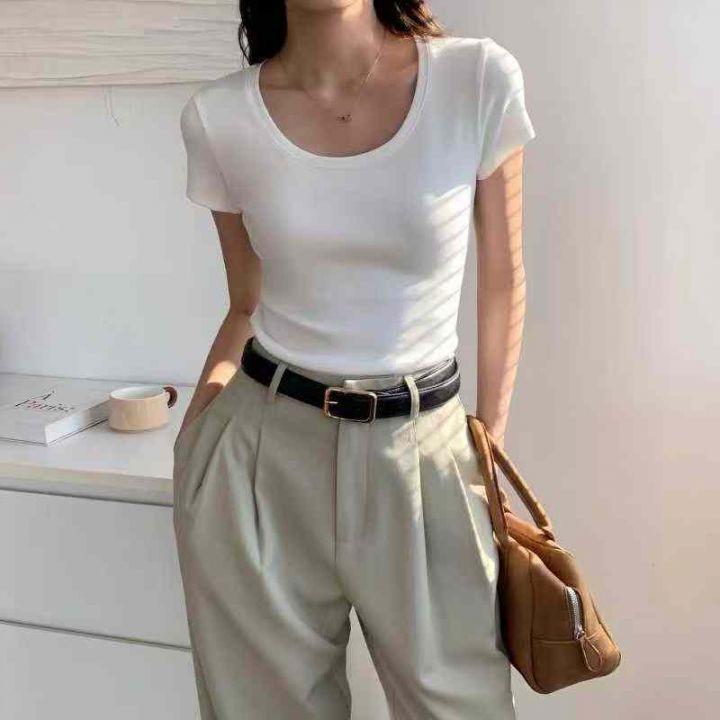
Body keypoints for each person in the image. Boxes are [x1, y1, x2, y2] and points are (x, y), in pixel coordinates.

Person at [172, 1, 536, 718]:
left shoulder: (475, 78)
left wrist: (489, 447)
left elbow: (504, 281)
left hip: (426, 453)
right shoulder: (219, 117)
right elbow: (246, 301)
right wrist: (198, 438)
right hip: (261, 456)